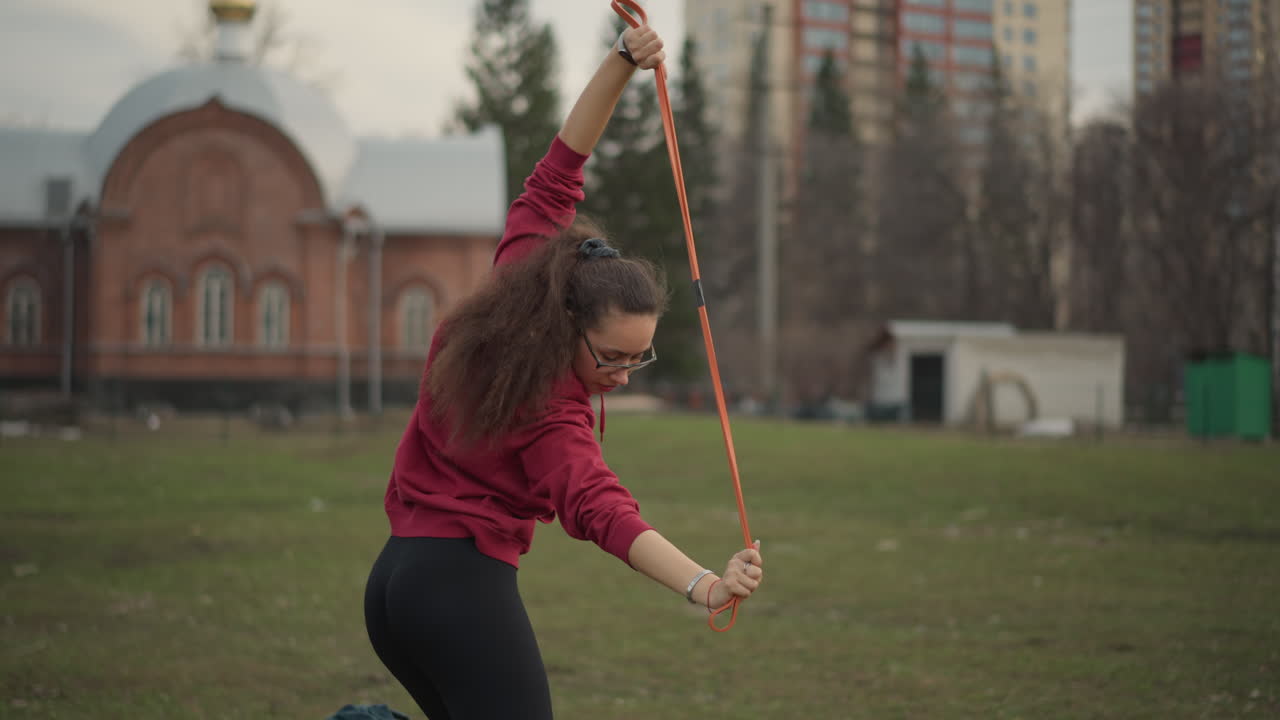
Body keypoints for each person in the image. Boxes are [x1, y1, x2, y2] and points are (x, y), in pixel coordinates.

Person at [362, 22, 765, 720]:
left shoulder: (520, 277)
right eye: (611, 358)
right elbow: (602, 509)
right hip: (458, 588)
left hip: (395, 582)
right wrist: (704, 584)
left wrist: (621, 61)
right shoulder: (549, 408)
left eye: (641, 357)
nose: (625, 375)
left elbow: (560, 168)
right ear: (566, 326)